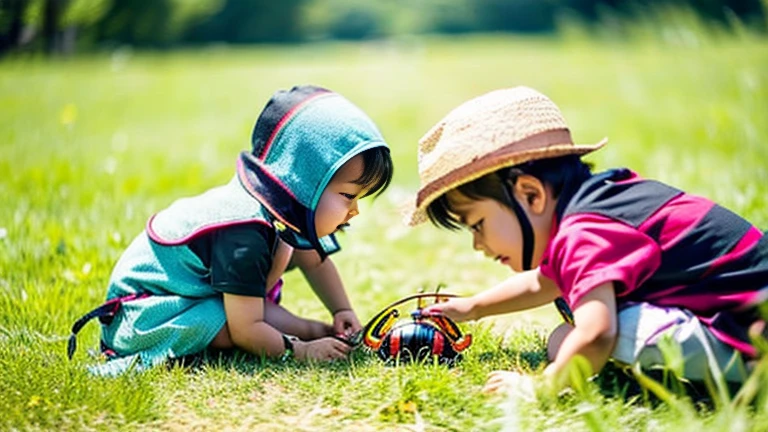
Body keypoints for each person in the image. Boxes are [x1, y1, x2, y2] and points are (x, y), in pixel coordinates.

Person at [410, 86, 767, 393]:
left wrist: (540, 387)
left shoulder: (584, 231)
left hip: (752, 336)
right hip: (747, 313)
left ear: (531, 195)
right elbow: (546, 280)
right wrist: (474, 308)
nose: (478, 244)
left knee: (602, 329)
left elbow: (597, 334)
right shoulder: (601, 202)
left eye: (477, 224)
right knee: (566, 335)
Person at [68, 85, 393, 375]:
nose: (355, 209)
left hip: (201, 301)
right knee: (228, 324)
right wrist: (301, 350)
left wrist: (340, 312)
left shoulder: (285, 210)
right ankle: (293, 336)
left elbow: (314, 260)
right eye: (349, 195)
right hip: (146, 314)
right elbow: (247, 328)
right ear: (304, 182)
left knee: (248, 311)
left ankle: (312, 329)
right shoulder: (246, 235)